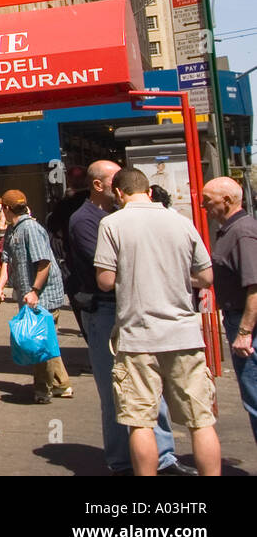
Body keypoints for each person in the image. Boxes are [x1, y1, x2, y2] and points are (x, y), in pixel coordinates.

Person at [68, 161, 194, 475]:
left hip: (138, 308)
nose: (124, 182)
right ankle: (122, 461)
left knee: (152, 385)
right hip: (107, 311)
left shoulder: (122, 216)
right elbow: (107, 271)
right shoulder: (85, 220)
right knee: (116, 391)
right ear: (99, 186)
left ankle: (162, 458)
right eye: (115, 178)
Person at [94, 168, 221, 476]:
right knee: (200, 421)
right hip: (183, 335)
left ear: (120, 193)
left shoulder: (111, 223)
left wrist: (133, 274)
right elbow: (206, 276)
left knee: (140, 422)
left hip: (138, 338)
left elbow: (105, 280)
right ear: (149, 191)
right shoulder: (180, 221)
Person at [0, 189, 71, 404]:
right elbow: (6, 261)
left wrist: (34, 291)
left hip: (43, 294)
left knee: (37, 342)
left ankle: (42, 390)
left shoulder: (31, 229)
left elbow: (43, 263)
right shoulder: (12, 230)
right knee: (46, 340)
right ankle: (61, 384)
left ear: (6, 209)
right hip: (29, 293)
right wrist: (0, 288)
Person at [202, 176, 257, 446]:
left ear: (226, 201)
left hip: (248, 325)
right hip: (240, 320)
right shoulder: (231, 230)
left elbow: (255, 286)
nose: (203, 206)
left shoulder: (242, 232)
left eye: (207, 201)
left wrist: (245, 332)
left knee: (255, 398)